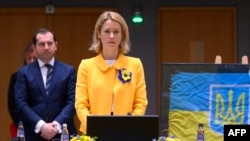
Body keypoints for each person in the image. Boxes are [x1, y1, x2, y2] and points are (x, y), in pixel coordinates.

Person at [75, 11, 148, 134]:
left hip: (127, 132)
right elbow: (81, 105)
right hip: (94, 133)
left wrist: (131, 125)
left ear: (122, 35)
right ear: (99, 33)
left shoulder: (135, 64)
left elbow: (140, 103)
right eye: (107, 31)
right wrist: (96, 127)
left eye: (116, 32)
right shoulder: (86, 66)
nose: (112, 36)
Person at [15, 28, 77, 141]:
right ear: (34, 47)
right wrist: (41, 125)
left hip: (63, 133)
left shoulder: (69, 71)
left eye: (50, 43)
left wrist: (56, 125)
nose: (46, 47)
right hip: (33, 134)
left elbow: (72, 101)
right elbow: (20, 103)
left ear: (56, 45)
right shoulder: (23, 73)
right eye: (42, 44)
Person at [8, 43, 37, 140]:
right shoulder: (16, 77)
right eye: (29, 58)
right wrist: (27, 125)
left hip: (44, 128)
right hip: (22, 127)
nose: (32, 61)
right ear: (25, 60)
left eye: (35, 59)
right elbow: (12, 105)